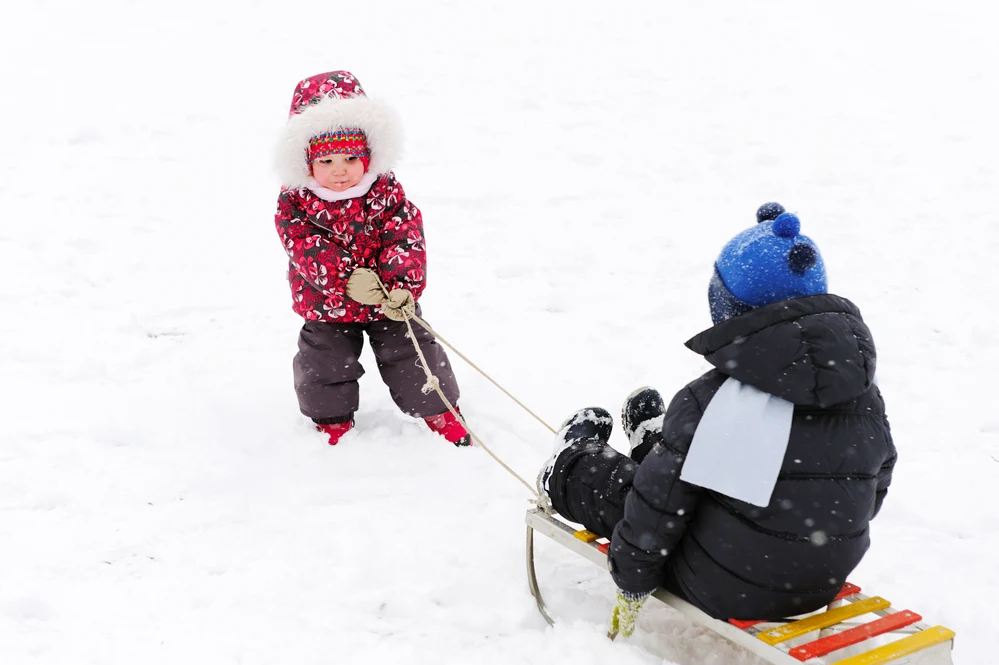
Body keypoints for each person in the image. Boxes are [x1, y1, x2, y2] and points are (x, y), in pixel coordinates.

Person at [536, 203, 897, 637]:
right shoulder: (864, 396)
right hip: (819, 583)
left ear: (732, 312)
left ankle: (568, 464)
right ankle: (657, 445)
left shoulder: (712, 401)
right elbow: (872, 491)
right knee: (699, 474)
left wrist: (632, 584)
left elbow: (653, 516)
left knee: (629, 492)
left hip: (722, 585)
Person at [273, 70, 469, 446]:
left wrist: (401, 285)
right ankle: (332, 421)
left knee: (413, 352)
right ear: (306, 162)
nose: (340, 170)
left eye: (350, 157)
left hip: (387, 302)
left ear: (369, 154)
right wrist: (345, 279)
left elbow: (404, 234)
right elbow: (302, 243)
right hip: (326, 303)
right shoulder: (295, 201)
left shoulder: (386, 191)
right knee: (324, 364)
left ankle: (440, 410)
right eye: (326, 161)